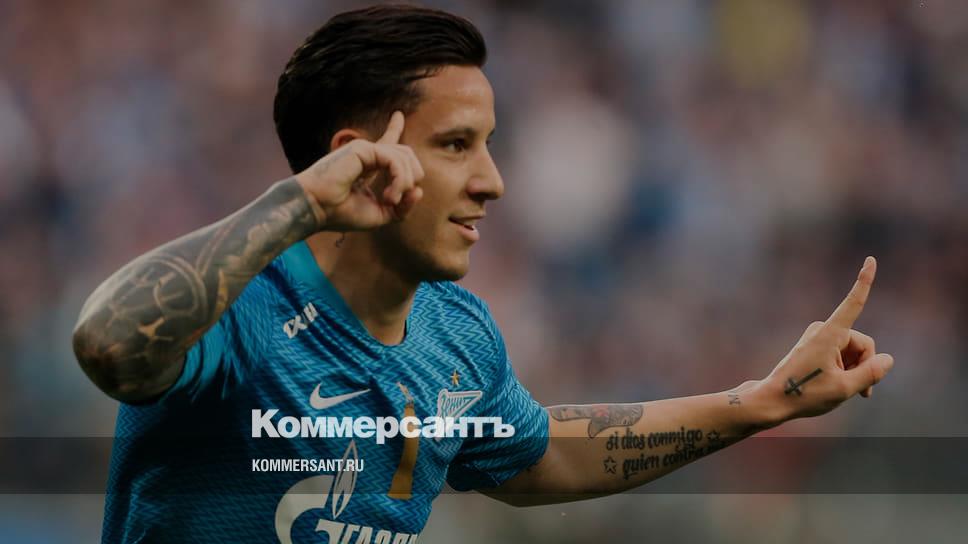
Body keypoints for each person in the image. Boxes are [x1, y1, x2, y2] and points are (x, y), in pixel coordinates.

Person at [71, 5, 894, 543]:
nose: (493, 181)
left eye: (488, 144)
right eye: (456, 145)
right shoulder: (242, 302)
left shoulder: (456, 335)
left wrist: (761, 401)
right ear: (357, 157)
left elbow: (543, 457)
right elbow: (109, 344)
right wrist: (300, 203)